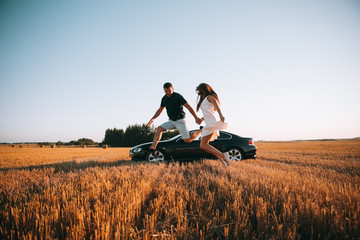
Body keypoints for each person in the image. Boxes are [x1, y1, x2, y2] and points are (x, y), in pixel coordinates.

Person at [147, 82, 203, 151]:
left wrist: (196, 117)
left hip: (180, 121)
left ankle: (200, 130)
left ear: (172, 89)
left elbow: (188, 107)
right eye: (166, 91)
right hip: (171, 121)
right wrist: (152, 119)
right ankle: (153, 147)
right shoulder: (164, 99)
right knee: (159, 129)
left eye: (169, 90)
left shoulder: (178, 96)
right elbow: (160, 110)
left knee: (187, 140)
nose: (168, 93)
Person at [195, 83, 230, 166]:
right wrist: (202, 119)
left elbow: (216, 106)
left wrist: (221, 115)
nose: (200, 95)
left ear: (205, 91)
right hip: (208, 123)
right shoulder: (204, 99)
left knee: (203, 145)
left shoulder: (210, 97)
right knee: (204, 145)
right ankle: (222, 158)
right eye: (199, 94)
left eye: (201, 93)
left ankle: (223, 155)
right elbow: (208, 113)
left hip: (211, 123)